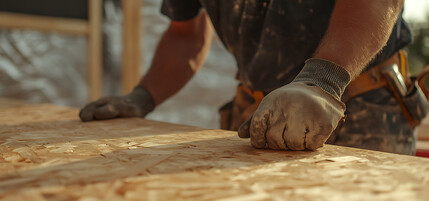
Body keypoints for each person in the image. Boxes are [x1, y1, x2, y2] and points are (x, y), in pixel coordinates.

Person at [79, 0, 427, 155]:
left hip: (359, 106)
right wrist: (142, 96)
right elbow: (186, 37)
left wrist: (322, 81)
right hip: (262, 111)